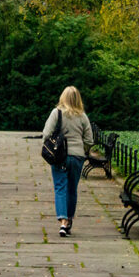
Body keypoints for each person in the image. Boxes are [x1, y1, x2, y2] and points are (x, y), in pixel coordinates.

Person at [42, 86, 94, 237]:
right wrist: (82, 148)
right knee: (72, 189)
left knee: (60, 187)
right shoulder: (83, 116)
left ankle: (63, 222)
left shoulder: (56, 113)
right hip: (77, 157)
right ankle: (70, 219)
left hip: (60, 156)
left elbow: (46, 134)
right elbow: (89, 140)